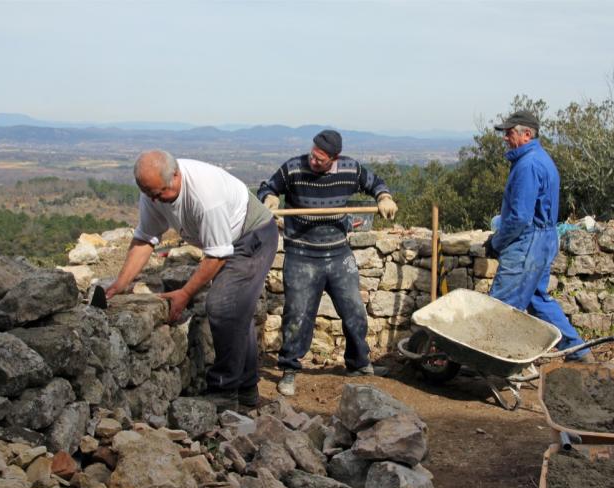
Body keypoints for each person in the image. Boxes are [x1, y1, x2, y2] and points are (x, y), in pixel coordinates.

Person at [106, 150, 279, 411]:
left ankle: (224, 390)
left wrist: (185, 293)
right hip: (227, 241)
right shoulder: (154, 193)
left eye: (160, 193)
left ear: (176, 175)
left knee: (223, 307)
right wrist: (121, 283)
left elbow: (217, 255)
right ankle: (246, 389)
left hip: (252, 237)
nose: (155, 200)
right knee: (237, 313)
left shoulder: (205, 195)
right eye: (150, 194)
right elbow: (145, 239)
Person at [257, 129, 398, 395]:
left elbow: (375, 182)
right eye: (313, 155)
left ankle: (358, 363)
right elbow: (268, 186)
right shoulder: (293, 168)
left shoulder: (349, 169)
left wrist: (384, 197)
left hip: (338, 253)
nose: (313, 161)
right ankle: (289, 369)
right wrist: (270, 197)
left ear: (334, 158)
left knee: (355, 311)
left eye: (320, 159)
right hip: (301, 254)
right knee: (297, 315)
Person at [486, 111, 593, 362]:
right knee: (538, 300)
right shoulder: (540, 159)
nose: (505, 138)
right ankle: (577, 349)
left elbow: (520, 217)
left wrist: (496, 242)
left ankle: (493, 360)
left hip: (528, 243)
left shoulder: (528, 165)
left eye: (509, 133)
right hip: (545, 239)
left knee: (499, 306)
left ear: (526, 135)